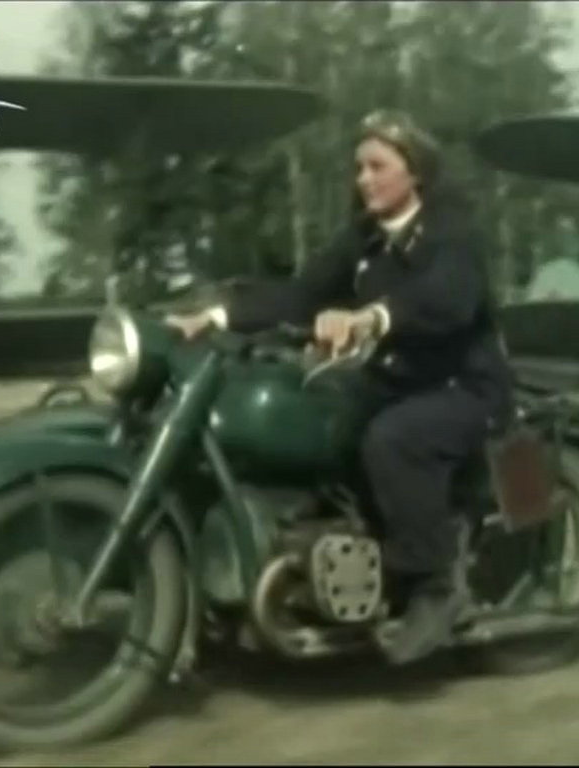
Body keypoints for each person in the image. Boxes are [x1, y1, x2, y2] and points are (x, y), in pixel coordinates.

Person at [166, 109, 515, 665]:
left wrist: (370, 317)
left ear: (414, 171)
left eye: (378, 166)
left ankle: (434, 585)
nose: (364, 179)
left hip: (462, 386)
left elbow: (446, 300)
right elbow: (300, 295)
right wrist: (213, 315)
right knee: (316, 419)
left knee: (393, 440)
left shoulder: (451, 231)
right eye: (359, 168)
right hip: (393, 382)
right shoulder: (364, 238)